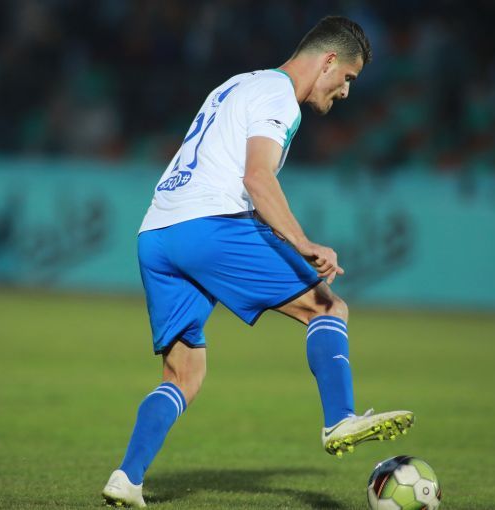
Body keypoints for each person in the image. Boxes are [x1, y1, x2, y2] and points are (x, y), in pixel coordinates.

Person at [102, 16, 413, 507]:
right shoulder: (278, 96)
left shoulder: (238, 84)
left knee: (183, 375)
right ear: (328, 61)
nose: (346, 91)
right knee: (327, 307)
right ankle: (340, 419)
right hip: (210, 225)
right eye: (348, 78)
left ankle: (127, 478)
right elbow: (257, 178)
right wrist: (303, 242)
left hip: (157, 232)